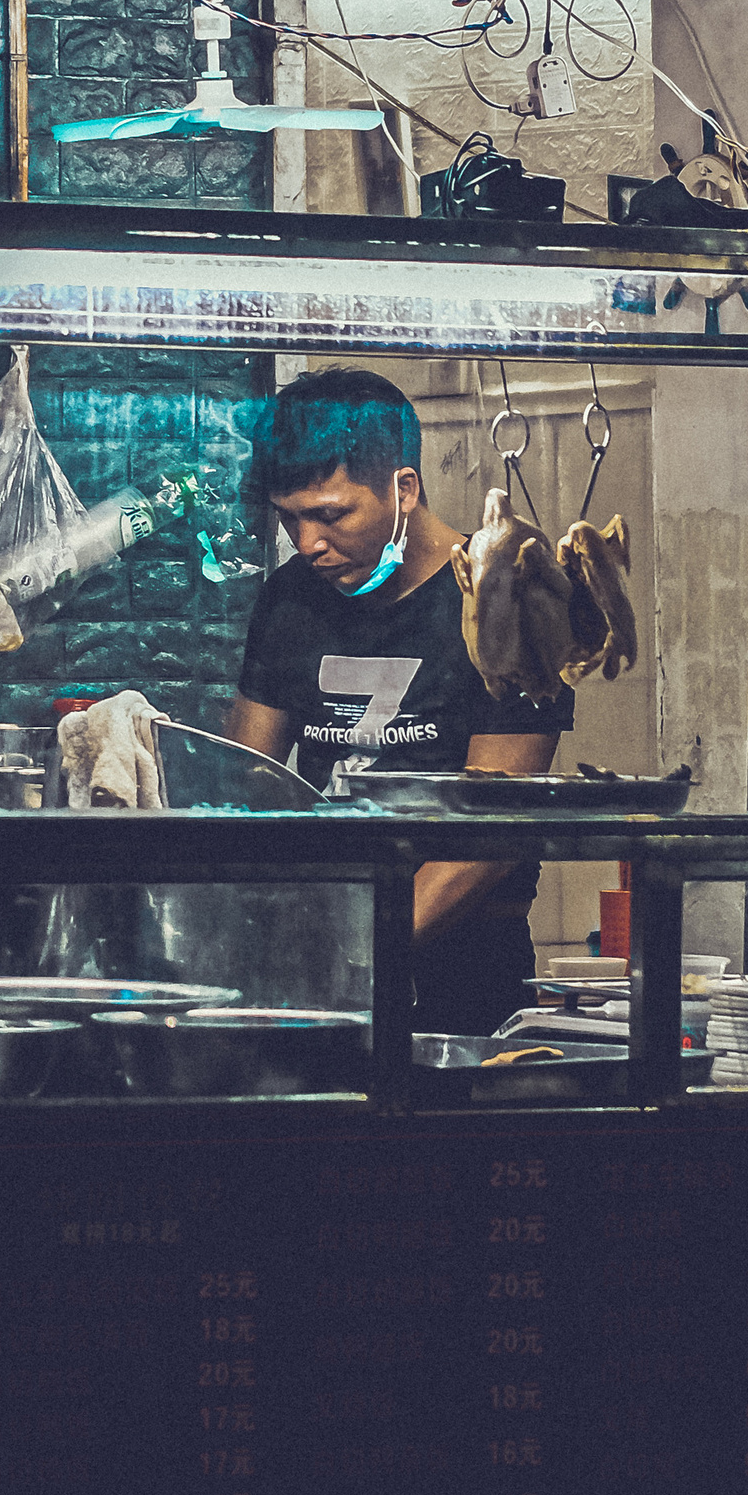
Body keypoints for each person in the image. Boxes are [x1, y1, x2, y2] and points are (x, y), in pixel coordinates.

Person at [222, 369, 568, 1035]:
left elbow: (495, 829)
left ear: (403, 488)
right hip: (313, 951)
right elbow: (245, 781)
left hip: (467, 966)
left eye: (330, 515)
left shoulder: (507, 597)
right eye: (289, 519)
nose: (308, 544)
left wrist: (355, 947)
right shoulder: (290, 598)